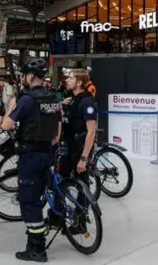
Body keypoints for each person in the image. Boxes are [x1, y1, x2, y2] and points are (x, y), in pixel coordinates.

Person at [1, 58, 61, 262]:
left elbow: (6, 125)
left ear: (30, 76)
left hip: (30, 155)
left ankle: (37, 248)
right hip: (48, 152)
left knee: (29, 200)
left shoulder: (27, 100)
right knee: (40, 193)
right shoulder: (53, 97)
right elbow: (58, 128)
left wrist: (11, 106)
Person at [60, 68, 97, 213]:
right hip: (69, 147)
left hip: (80, 149)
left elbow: (91, 131)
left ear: (79, 82)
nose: (66, 80)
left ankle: (80, 220)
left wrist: (83, 158)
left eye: (70, 78)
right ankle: (58, 216)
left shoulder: (87, 102)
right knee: (61, 181)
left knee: (82, 185)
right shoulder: (73, 100)